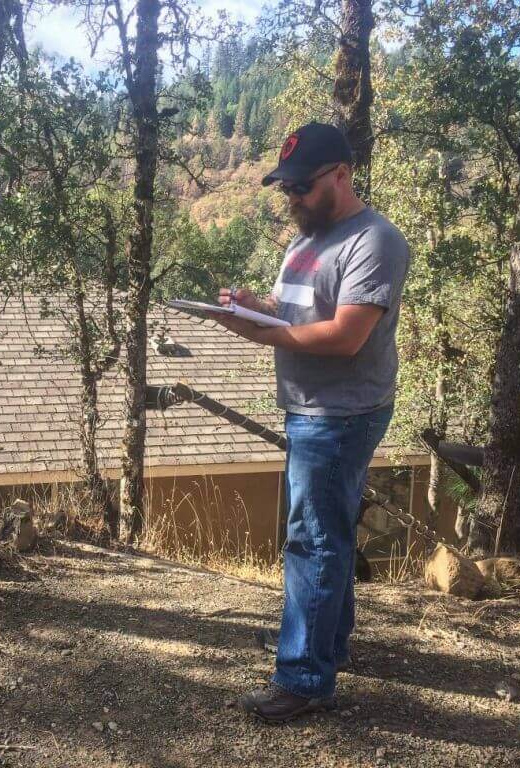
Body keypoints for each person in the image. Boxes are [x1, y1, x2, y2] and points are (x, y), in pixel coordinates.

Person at [208, 122, 410, 723]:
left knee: (312, 539)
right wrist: (254, 306)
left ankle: (304, 677)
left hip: (340, 413)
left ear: (341, 175)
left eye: (300, 186)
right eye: (285, 188)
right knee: (328, 531)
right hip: (310, 408)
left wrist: (258, 330)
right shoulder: (305, 239)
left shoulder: (374, 240)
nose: (291, 197)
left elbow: (346, 336)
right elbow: (295, 309)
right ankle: (328, 645)